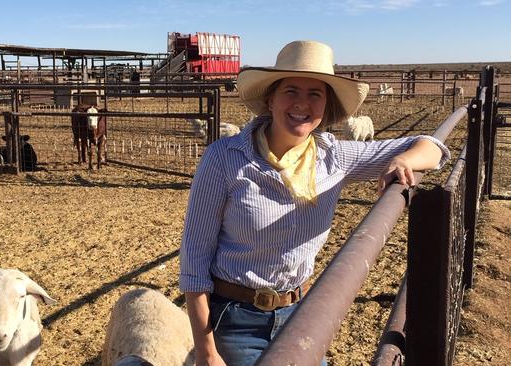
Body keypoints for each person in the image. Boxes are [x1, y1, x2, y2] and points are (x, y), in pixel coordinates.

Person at [179, 40, 450, 366]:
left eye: (315, 94)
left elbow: (433, 148)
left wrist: (403, 159)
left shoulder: (334, 158)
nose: (302, 104)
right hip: (234, 321)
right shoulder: (224, 159)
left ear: (325, 105)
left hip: (299, 315)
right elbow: (194, 263)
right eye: (291, 91)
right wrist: (207, 352)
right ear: (271, 99)